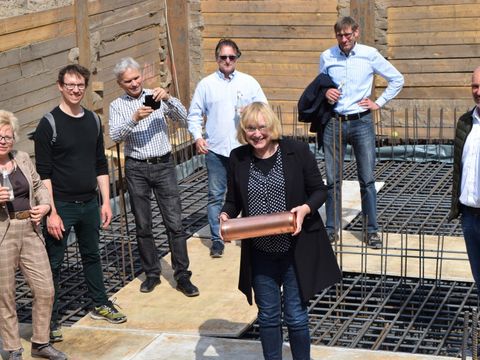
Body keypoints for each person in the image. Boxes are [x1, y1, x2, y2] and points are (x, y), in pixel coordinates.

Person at [219, 102, 341, 360]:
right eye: (250, 128)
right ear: (244, 130)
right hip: (261, 253)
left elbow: (319, 190)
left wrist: (306, 209)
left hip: (294, 250)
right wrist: (226, 215)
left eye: (262, 127)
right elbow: (233, 201)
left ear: (272, 126)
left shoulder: (296, 151)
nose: (257, 134)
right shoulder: (238, 158)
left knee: (296, 316)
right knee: (268, 317)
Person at [34, 64, 126, 343]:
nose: (75, 90)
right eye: (70, 85)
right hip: (61, 204)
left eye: (80, 85)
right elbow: (44, 174)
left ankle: (99, 303)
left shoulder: (93, 121)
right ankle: (49, 320)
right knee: (54, 263)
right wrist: (52, 212)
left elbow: (100, 164)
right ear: (60, 86)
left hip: (89, 203)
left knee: (92, 255)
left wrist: (105, 202)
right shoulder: (48, 124)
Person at [109, 57, 199, 297]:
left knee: (175, 223)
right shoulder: (117, 105)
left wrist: (169, 98)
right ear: (120, 83)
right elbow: (115, 135)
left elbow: (183, 118)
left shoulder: (155, 95)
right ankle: (151, 273)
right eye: (128, 81)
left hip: (163, 165)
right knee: (143, 224)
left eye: (136, 78)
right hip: (137, 167)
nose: (134, 83)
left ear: (142, 76)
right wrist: (134, 119)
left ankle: (182, 276)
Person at [320, 16, 404, 247]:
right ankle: (331, 228)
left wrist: (379, 102)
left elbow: (397, 79)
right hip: (334, 122)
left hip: (361, 122)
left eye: (348, 34)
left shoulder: (369, 54)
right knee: (332, 180)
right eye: (340, 35)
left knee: (366, 180)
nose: (344, 39)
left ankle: (371, 231)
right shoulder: (327, 57)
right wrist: (326, 93)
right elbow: (321, 84)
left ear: (356, 33)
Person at [188, 38, 267, 258]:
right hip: (216, 150)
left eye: (232, 57)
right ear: (217, 58)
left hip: (245, 149)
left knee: (253, 192)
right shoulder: (206, 85)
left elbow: (264, 110)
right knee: (216, 195)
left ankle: (254, 234)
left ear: (237, 58)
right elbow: (193, 115)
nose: (228, 61)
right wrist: (197, 137)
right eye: (223, 57)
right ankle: (217, 239)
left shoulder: (249, 82)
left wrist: (250, 112)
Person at [0, 110, 67, 360]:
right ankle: (12, 348)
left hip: (29, 229)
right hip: (2, 234)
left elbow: (38, 186)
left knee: (45, 289)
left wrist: (46, 206)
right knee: (5, 294)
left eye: (8, 136)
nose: (3, 140)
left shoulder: (22, 158)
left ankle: (40, 342)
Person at [449, 66, 480, 289]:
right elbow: (459, 169)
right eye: (475, 86)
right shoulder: (465, 122)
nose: (478, 91)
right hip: (469, 215)